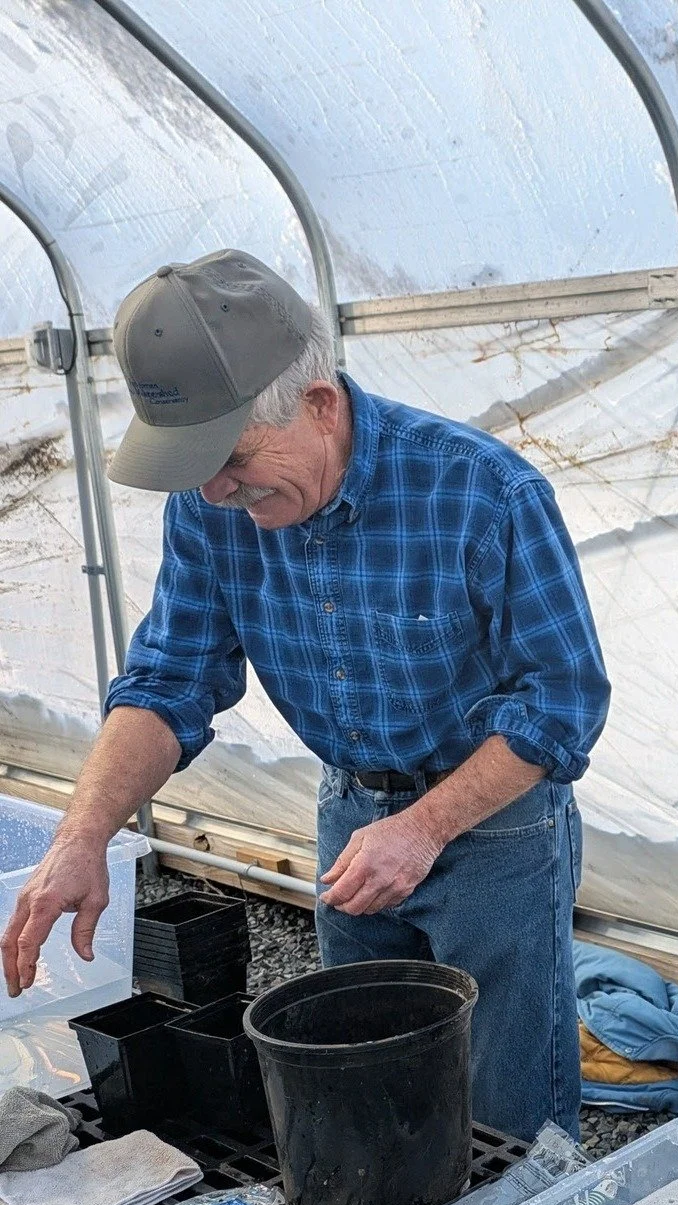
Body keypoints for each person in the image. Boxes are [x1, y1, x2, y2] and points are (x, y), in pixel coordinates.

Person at [0, 250, 609, 1143]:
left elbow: (562, 701)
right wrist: (81, 836)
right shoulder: (210, 508)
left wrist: (425, 826)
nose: (216, 490)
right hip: (351, 810)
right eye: (196, 465)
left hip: (493, 824)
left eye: (234, 456)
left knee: (508, 1111)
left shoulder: (482, 492)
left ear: (319, 406)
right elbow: (171, 680)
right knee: (362, 1074)